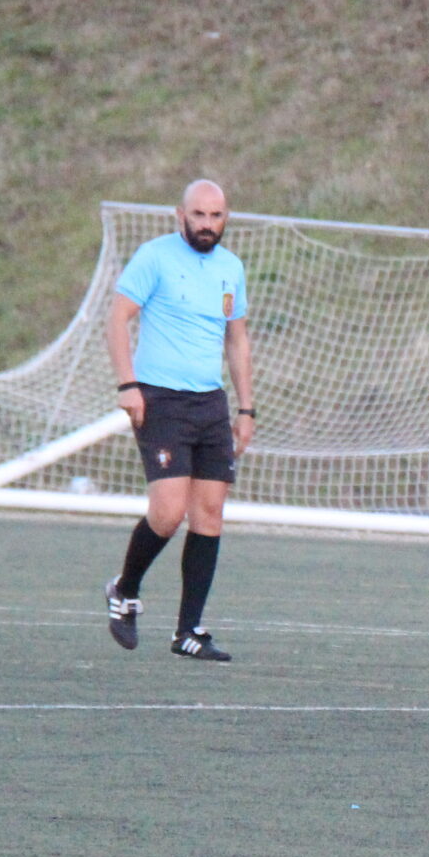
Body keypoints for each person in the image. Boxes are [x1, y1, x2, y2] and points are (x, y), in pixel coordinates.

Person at [101, 180, 254, 662]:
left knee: (209, 514)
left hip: (210, 403)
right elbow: (117, 318)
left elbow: (236, 340)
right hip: (160, 399)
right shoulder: (155, 257)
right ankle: (124, 591)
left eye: (216, 215)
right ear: (179, 214)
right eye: (199, 214)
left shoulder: (231, 268)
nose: (207, 224)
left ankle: (189, 632)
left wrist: (246, 408)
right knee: (167, 512)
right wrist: (129, 385)